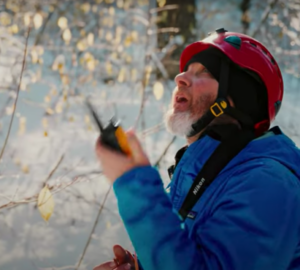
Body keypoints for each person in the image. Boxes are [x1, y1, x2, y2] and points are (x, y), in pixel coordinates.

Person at [93, 29, 300, 270]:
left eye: (204, 72)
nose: (180, 77)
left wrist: (134, 184)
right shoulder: (201, 176)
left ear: (238, 99)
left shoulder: (268, 183)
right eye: (186, 70)